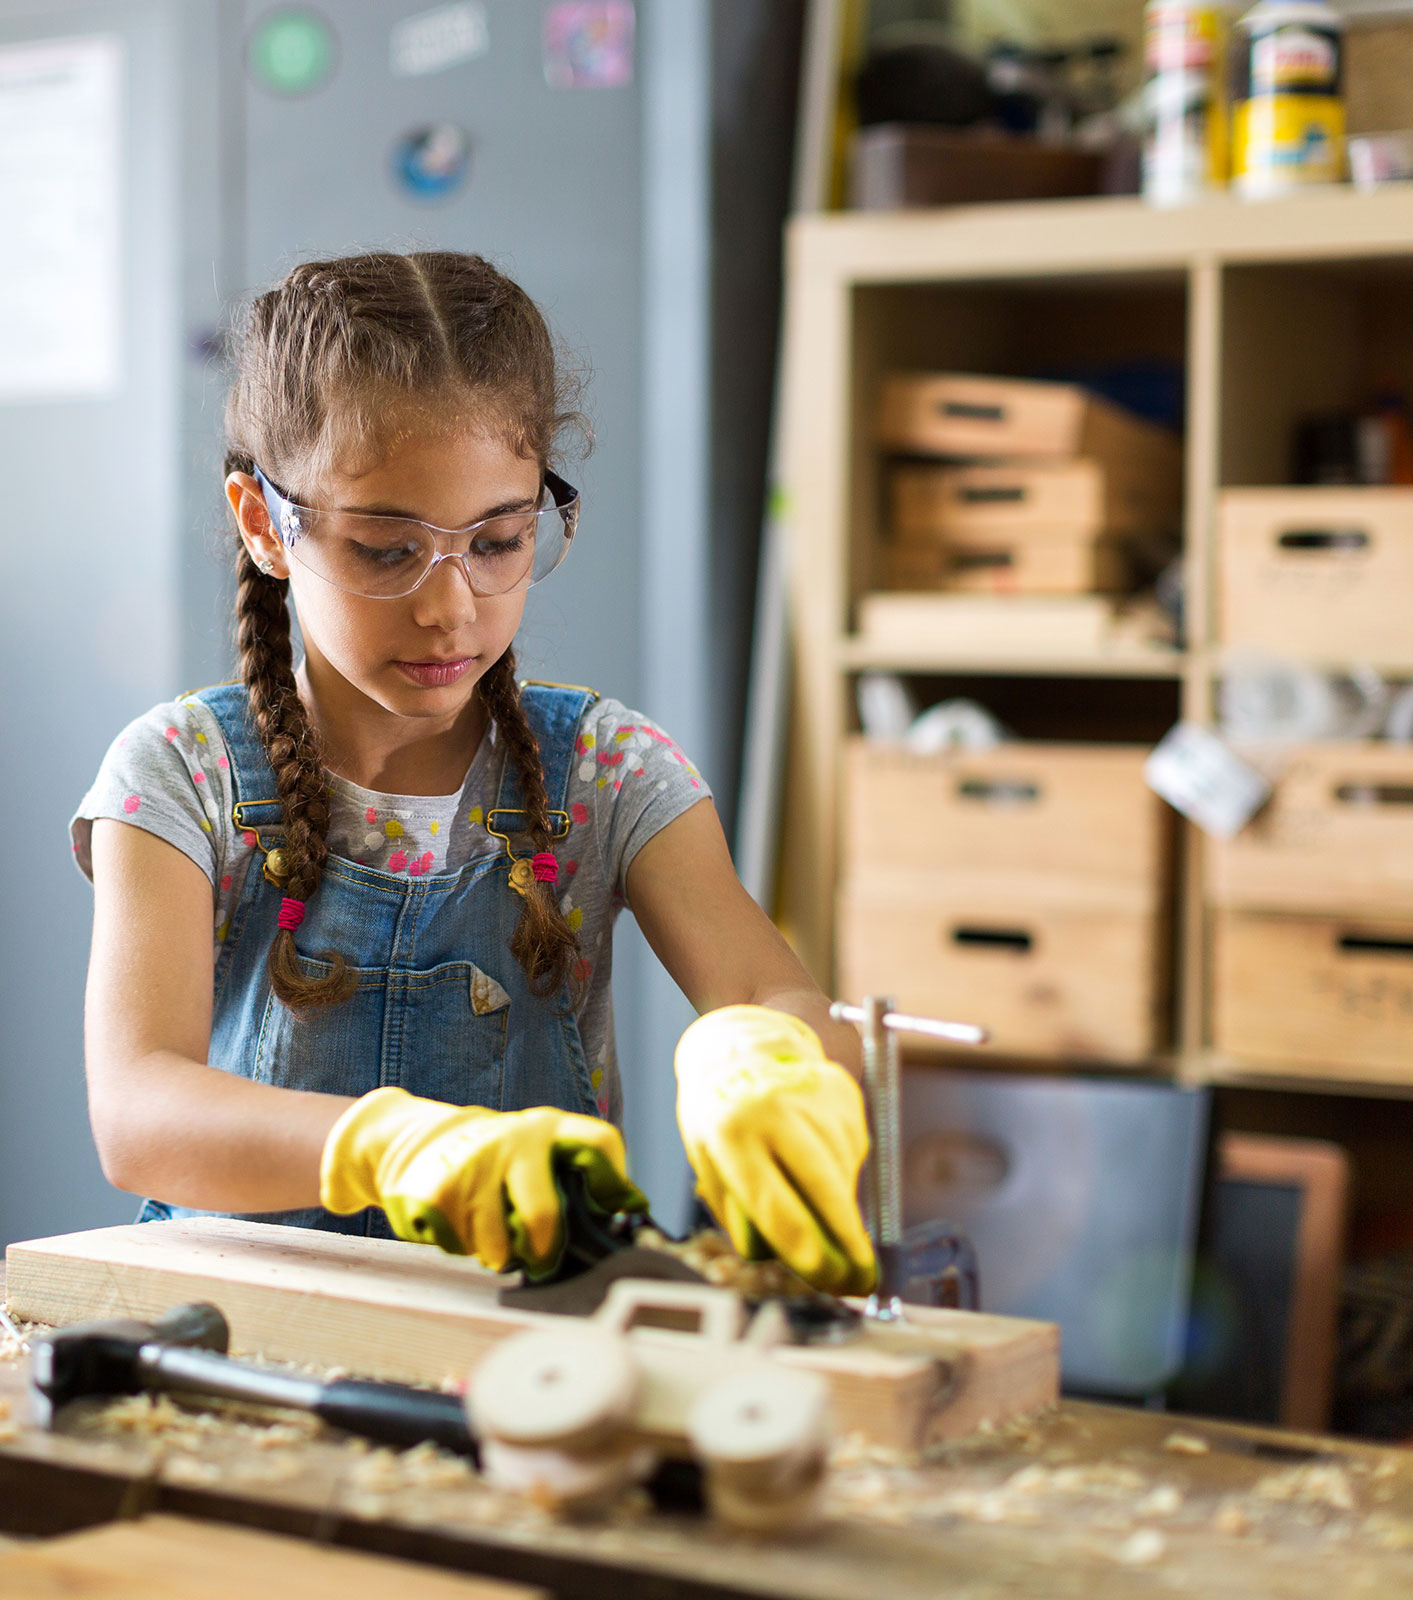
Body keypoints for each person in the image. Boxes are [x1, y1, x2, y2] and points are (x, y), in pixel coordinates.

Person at [72, 251, 873, 1290]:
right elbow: (137, 1111)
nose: (451, 607)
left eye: (499, 541)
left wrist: (774, 1061)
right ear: (266, 522)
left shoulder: (608, 773)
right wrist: (394, 1150)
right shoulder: (180, 775)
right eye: (387, 550)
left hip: (530, 1368)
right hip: (235, 1342)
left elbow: (772, 991)